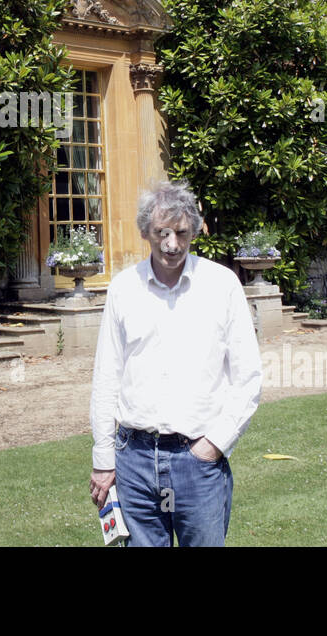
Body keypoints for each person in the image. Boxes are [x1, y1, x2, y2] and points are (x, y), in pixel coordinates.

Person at [88, 180, 262, 546]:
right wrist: (104, 459)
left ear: (194, 230)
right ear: (145, 232)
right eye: (161, 233)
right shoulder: (123, 288)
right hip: (133, 461)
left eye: (181, 233)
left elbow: (248, 378)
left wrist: (214, 444)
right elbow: (106, 378)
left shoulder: (222, 285)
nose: (172, 244)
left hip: (197, 462)